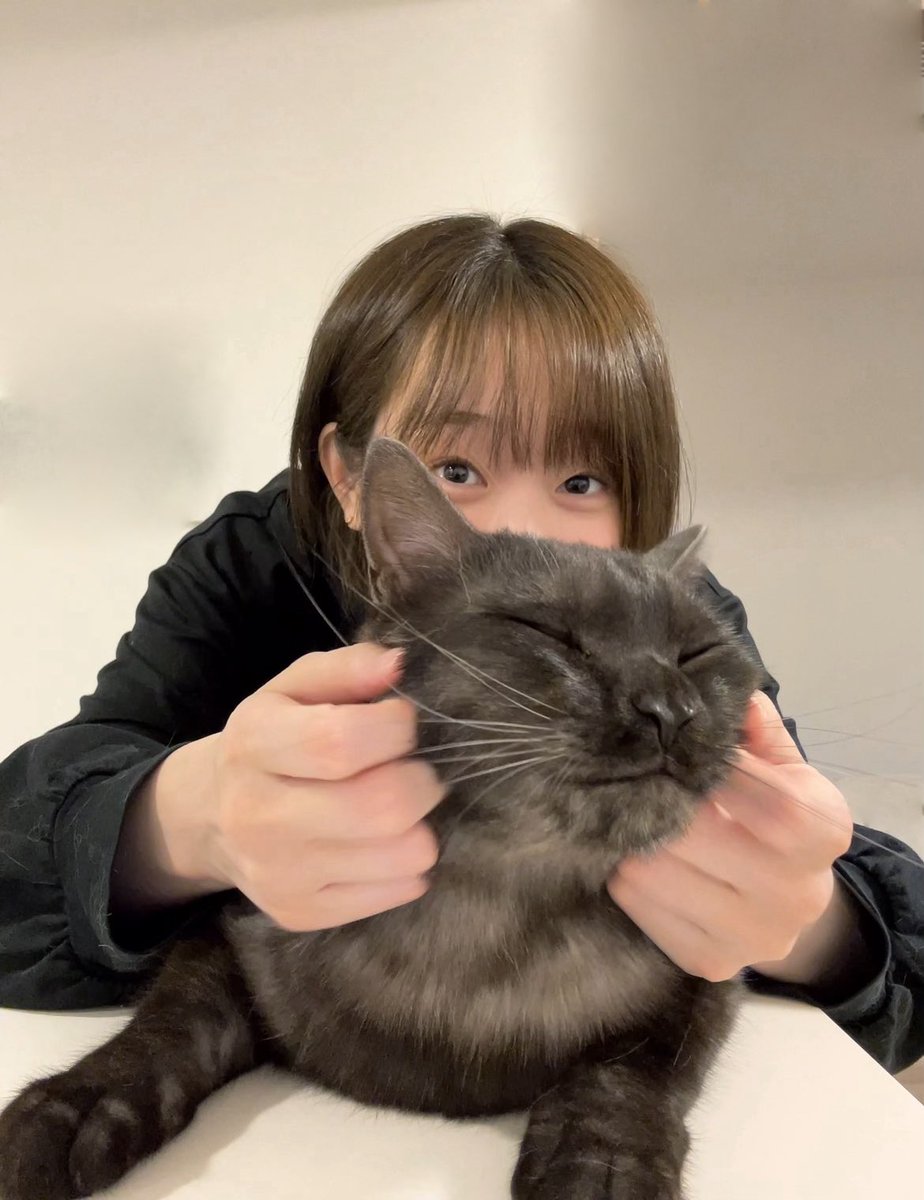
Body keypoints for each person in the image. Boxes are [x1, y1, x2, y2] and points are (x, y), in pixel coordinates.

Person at [0, 215, 921, 1076]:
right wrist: (190, 823)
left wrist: (813, 925)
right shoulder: (253, 565)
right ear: (348, 476)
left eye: (582, 480)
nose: (523, 532)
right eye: (457, 469)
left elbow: (853, 890)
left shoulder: (675, 623)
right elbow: (37, 831)